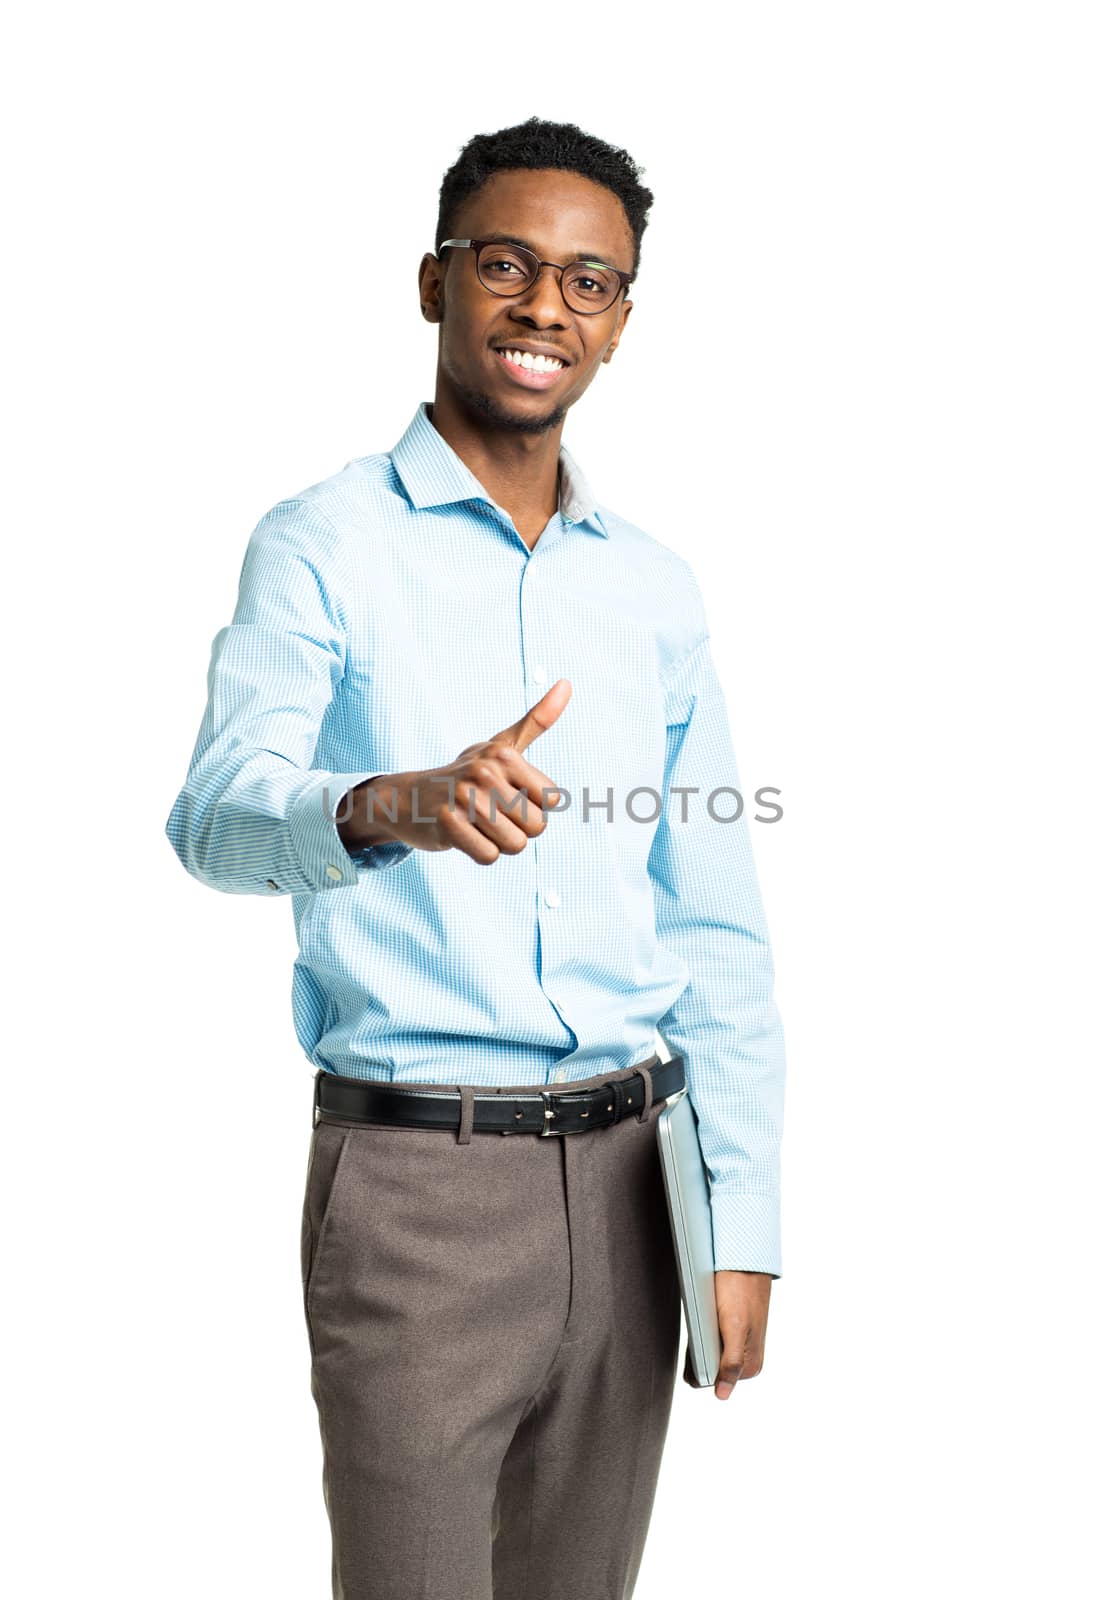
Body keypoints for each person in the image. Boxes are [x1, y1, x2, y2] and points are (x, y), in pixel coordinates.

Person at [165, 115, 786, 1600]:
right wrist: (388, 805)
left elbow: (713, 924)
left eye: (589, 281)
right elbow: (215, 813)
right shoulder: (319, 544)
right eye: (506, 265)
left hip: (642, 1185)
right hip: (419, 1191)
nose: (542, 310)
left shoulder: (650, 588)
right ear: (432, 281)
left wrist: (743, 1215)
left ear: (622, 321)